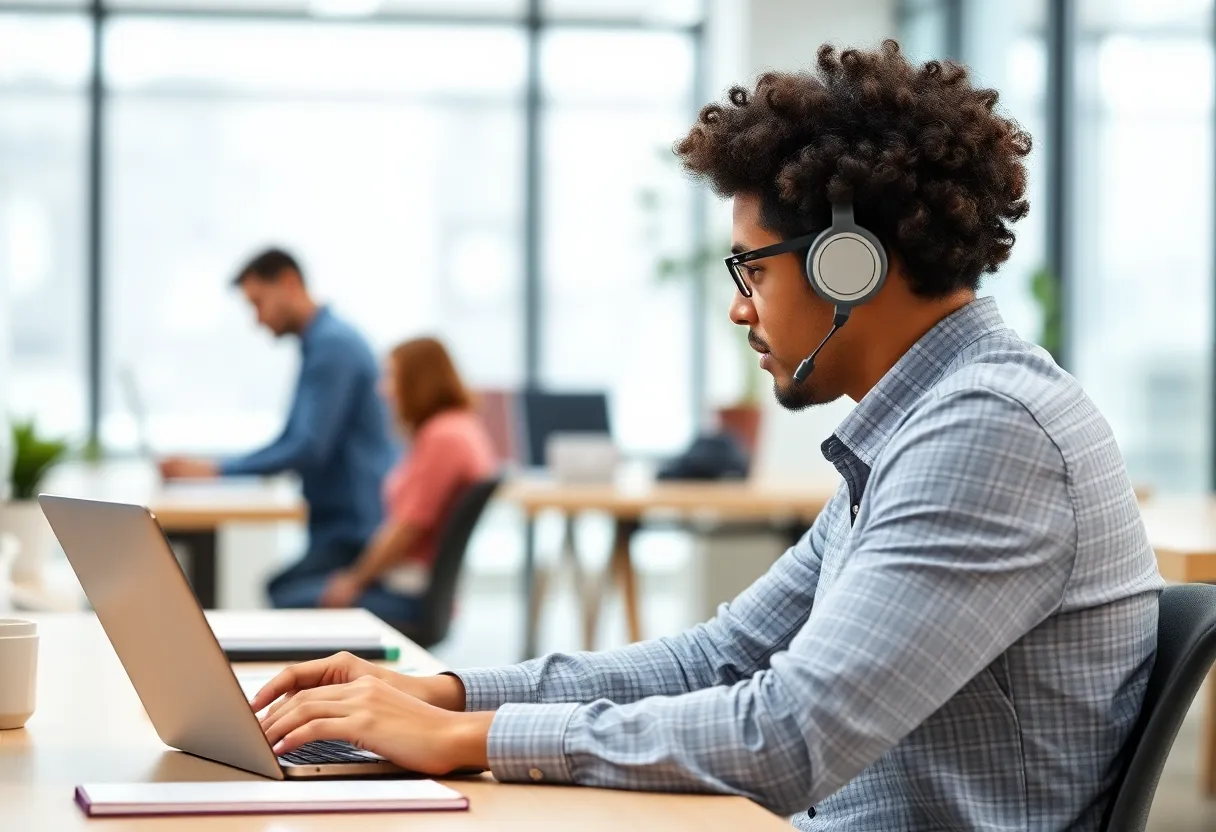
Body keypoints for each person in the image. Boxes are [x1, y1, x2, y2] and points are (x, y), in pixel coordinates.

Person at [249, 42, 1164, 830]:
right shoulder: (923, 426)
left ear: (849, 266)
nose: (738, 306)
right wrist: (441, 695)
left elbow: (788, 736)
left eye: (752, 270)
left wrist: (464, 739)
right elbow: (715, 658)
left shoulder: (989, 433)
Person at [159, 248, 397, 608]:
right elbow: (292, 441)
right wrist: (211, 466)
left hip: (353, 533)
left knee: (281, 592)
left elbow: (307, 448)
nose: (256, 319)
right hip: (341, 525)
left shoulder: (332, 346)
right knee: (278, 588)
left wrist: (215, 470)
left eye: (258, 303)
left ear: (289, 283)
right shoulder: (321, 343)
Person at [280, 337, 497, 623]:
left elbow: (407, 527)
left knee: (286, 598)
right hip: (416, 586)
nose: (384, 389)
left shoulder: (443, 437)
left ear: (419, 380)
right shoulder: (462, 427)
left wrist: (354, 581)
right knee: (293, 582)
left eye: (392, 376)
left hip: (407, 594)